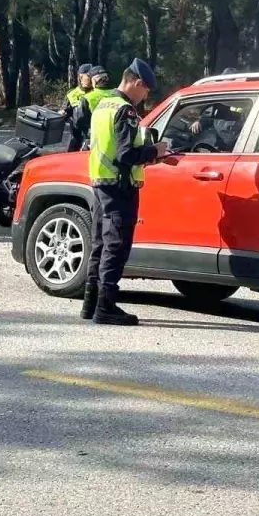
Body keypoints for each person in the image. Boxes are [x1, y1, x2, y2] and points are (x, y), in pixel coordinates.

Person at [82, 58, 170, 326]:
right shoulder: (125, 110)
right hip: (119, 185)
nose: (145, 97)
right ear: (136, 82)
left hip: (100, 181)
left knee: (99, 243)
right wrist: (156, 151)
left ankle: (90, 302)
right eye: (145, 91)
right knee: (116, 246)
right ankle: (106, 307)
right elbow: (125, 154)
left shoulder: (102, 104)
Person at [70, 66, 116, 151]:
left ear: (93, 81)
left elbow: (78, 123)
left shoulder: (87, 98)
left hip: (93, 141)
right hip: (116, 140)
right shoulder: (117, 94)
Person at [62, 64, 93, 152]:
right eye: (89, 76)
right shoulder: (71, 94)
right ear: (80, 77)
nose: (92, 78)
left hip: (94, 137)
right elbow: (65, 112)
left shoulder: (98, 93)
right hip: (77, 137)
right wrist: (62, 113)